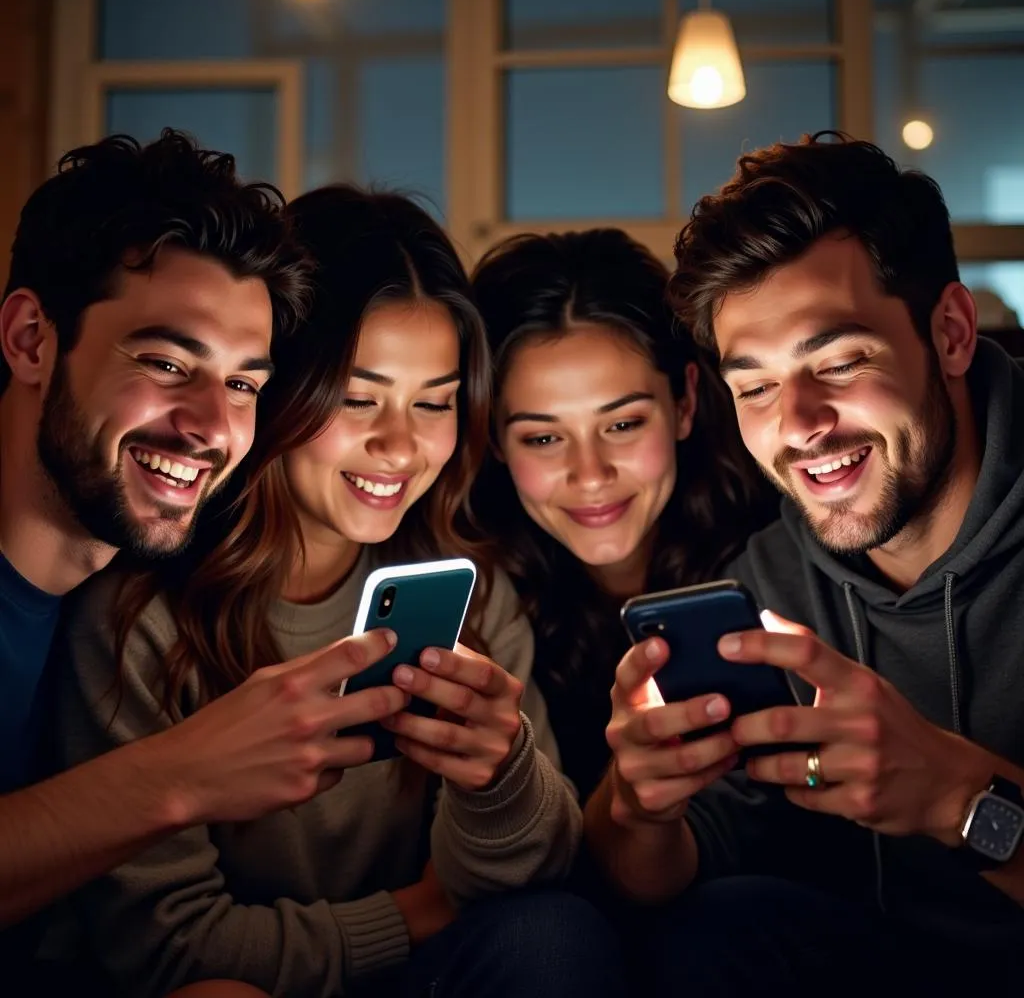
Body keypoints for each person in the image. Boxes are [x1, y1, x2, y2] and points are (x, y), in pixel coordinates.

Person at [53, 186, 621, 998]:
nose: (400, 445)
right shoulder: (138, 617)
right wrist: (416, 912)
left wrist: (499, 781)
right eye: (359, 399)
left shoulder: (471, 592)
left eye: (435, 402)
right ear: (280, 386)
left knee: (556, 935)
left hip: (443, 975)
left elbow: (536, 879)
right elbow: (170, 949)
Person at [585, 133, 1024, 994]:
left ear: (952, 333)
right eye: (755, 387)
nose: (798, 423)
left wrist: (957, 796)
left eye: (839, 361)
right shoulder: (770, 591)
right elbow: (648, 879)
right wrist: (638, 805)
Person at [0, 131, 399, 995]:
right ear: (32, 339)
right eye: (166, 363)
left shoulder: (132, 592)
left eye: (245, 384)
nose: (215, 427)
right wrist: (185, 773)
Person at [470, 228, 775, 803]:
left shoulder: (780, 560)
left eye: (623, 424)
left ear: (683, 403)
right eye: (542, 438)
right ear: (494, 441)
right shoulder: (481, 608)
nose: (590, 473)